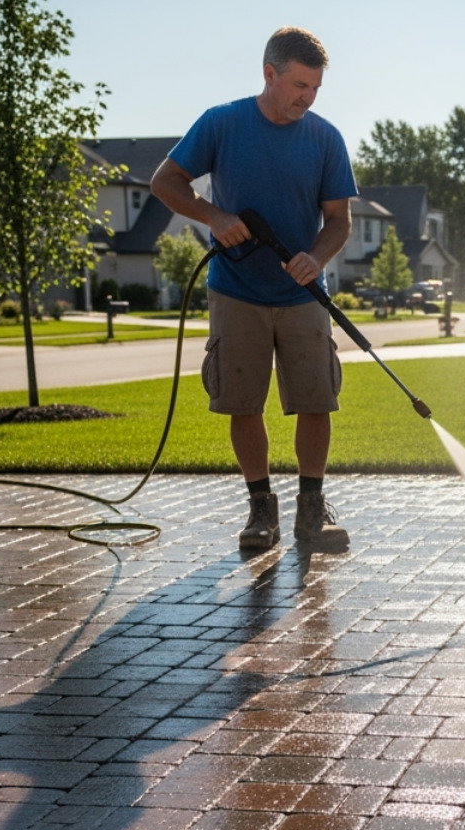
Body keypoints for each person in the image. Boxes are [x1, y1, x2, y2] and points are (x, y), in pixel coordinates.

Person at [150, 26, 355, 552]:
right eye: (300, 86)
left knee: (317, 400)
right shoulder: (222, 123)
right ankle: (261, 509)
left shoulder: (325, 138)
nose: (307, 98)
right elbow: (165, 182)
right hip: (236, 289)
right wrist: (214, 217)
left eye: (315, 89)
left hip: (302, 293)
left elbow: (339, 220)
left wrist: (317, 257)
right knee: (243, 403)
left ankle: (312, 510)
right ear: (270, 73)